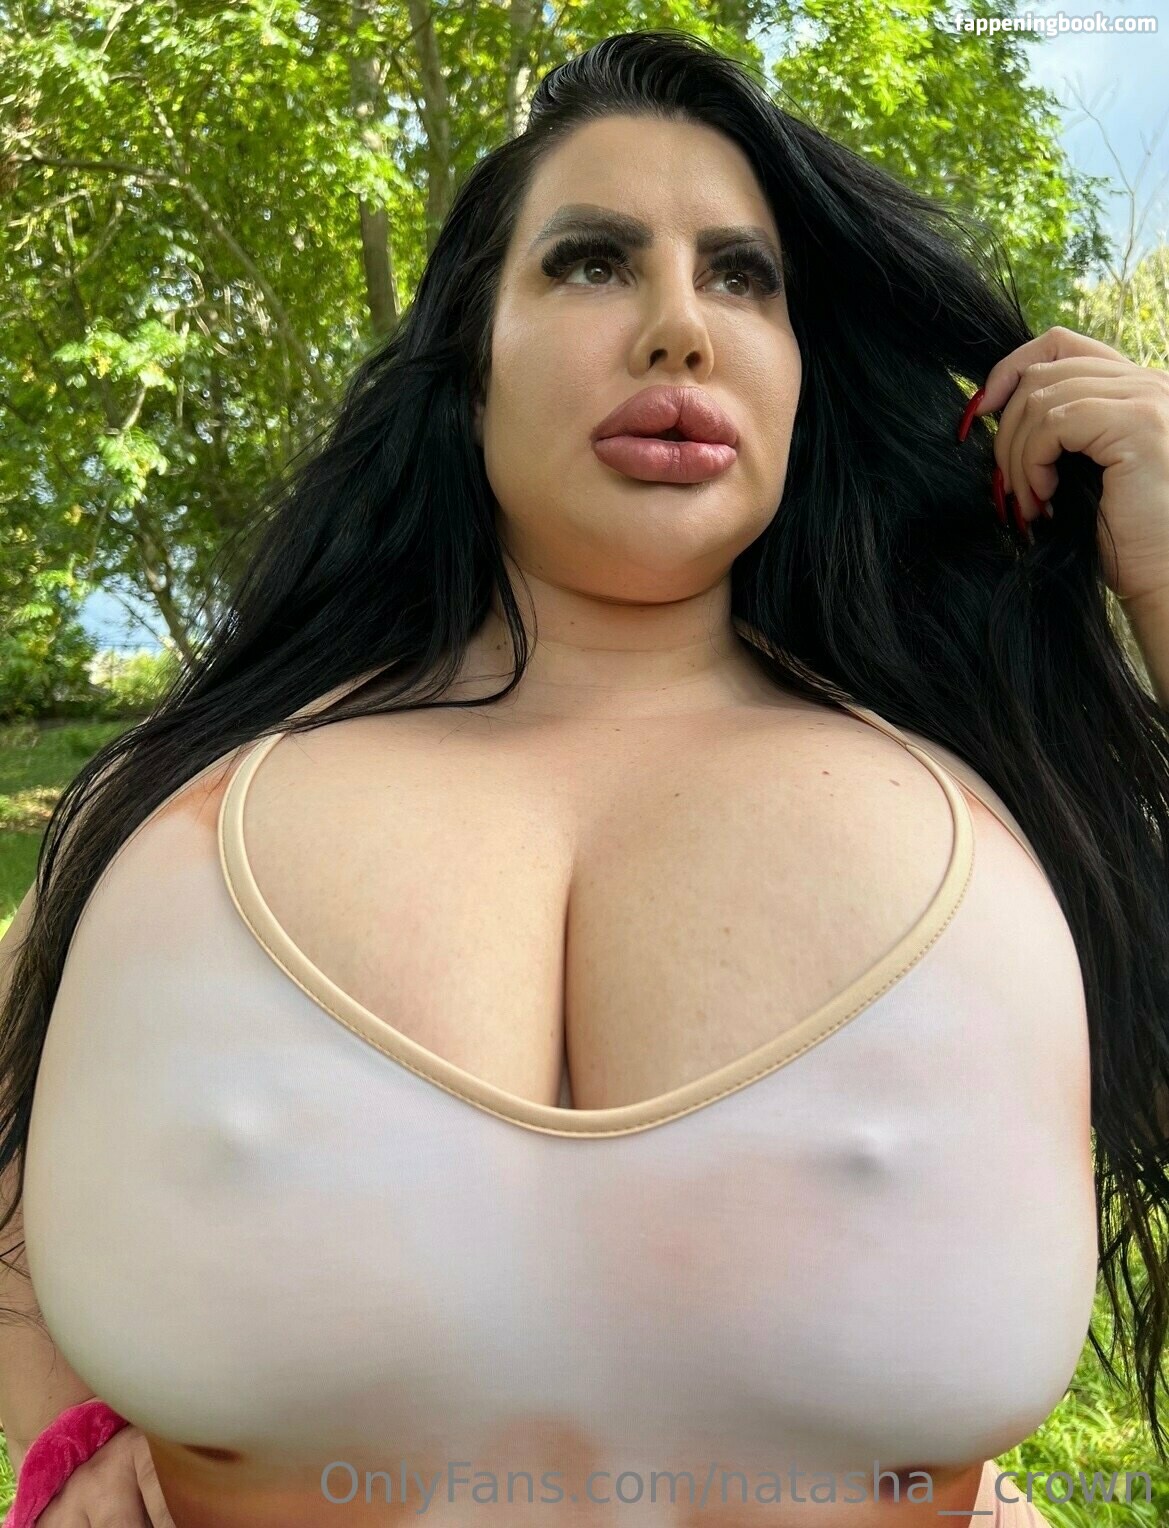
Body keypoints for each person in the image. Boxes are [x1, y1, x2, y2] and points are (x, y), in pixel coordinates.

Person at [3, 27, 1169, 1528]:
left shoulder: (1018, 811)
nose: (679, 329)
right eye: (592, 263)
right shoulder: (178, 819)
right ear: (468, 359)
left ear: (801, 378)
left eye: (742, 277)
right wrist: (71, 1436)